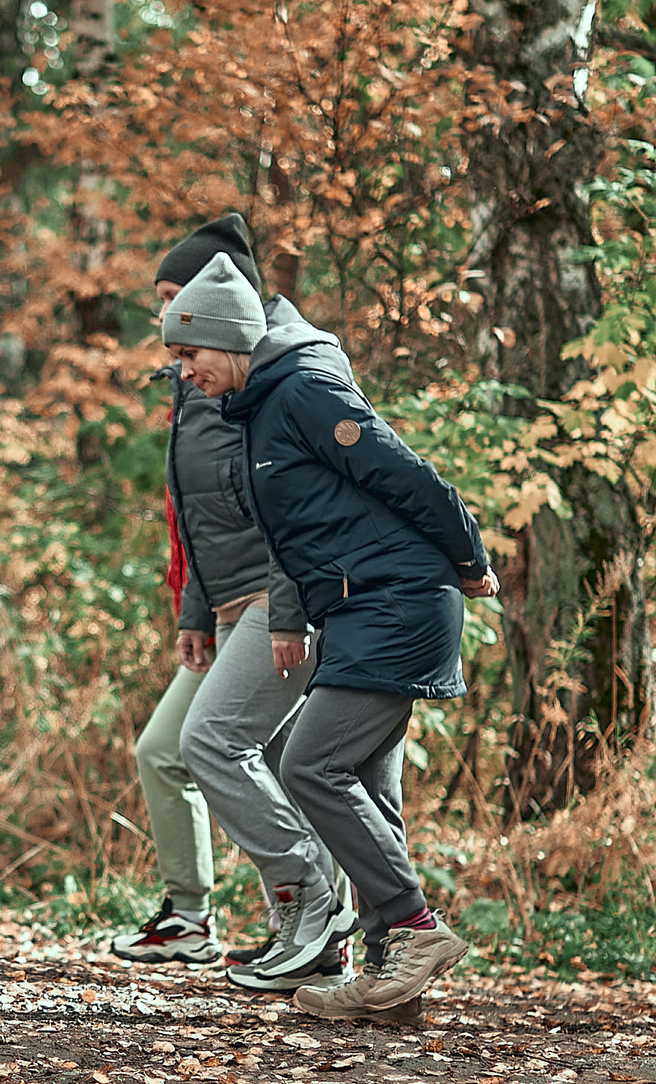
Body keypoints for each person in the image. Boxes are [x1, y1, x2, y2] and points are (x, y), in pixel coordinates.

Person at [170, 254, 495, 1021]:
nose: (183, 373)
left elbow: (404, 474)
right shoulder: (254, 410)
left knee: (310, 764)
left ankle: (415, 928)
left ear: (231, 338)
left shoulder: (306, 392)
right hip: (355, 609)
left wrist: (470, 558)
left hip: (398, 602)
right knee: (369, 788)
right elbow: (289, 534)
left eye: (190, 354)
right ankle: (389, 979)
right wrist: (295, 613)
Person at [118, 213, 269, 964]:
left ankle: (314, 923)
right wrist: (196, 612)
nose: (165, 313)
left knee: (275, 765)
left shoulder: (254, 384)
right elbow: (195, 519)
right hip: (228, 601)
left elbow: (279, 504)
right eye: (161, 299)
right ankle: (189, 915)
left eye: (177, 294)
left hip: (278, 602)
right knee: (163, 750)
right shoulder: (192, 385)